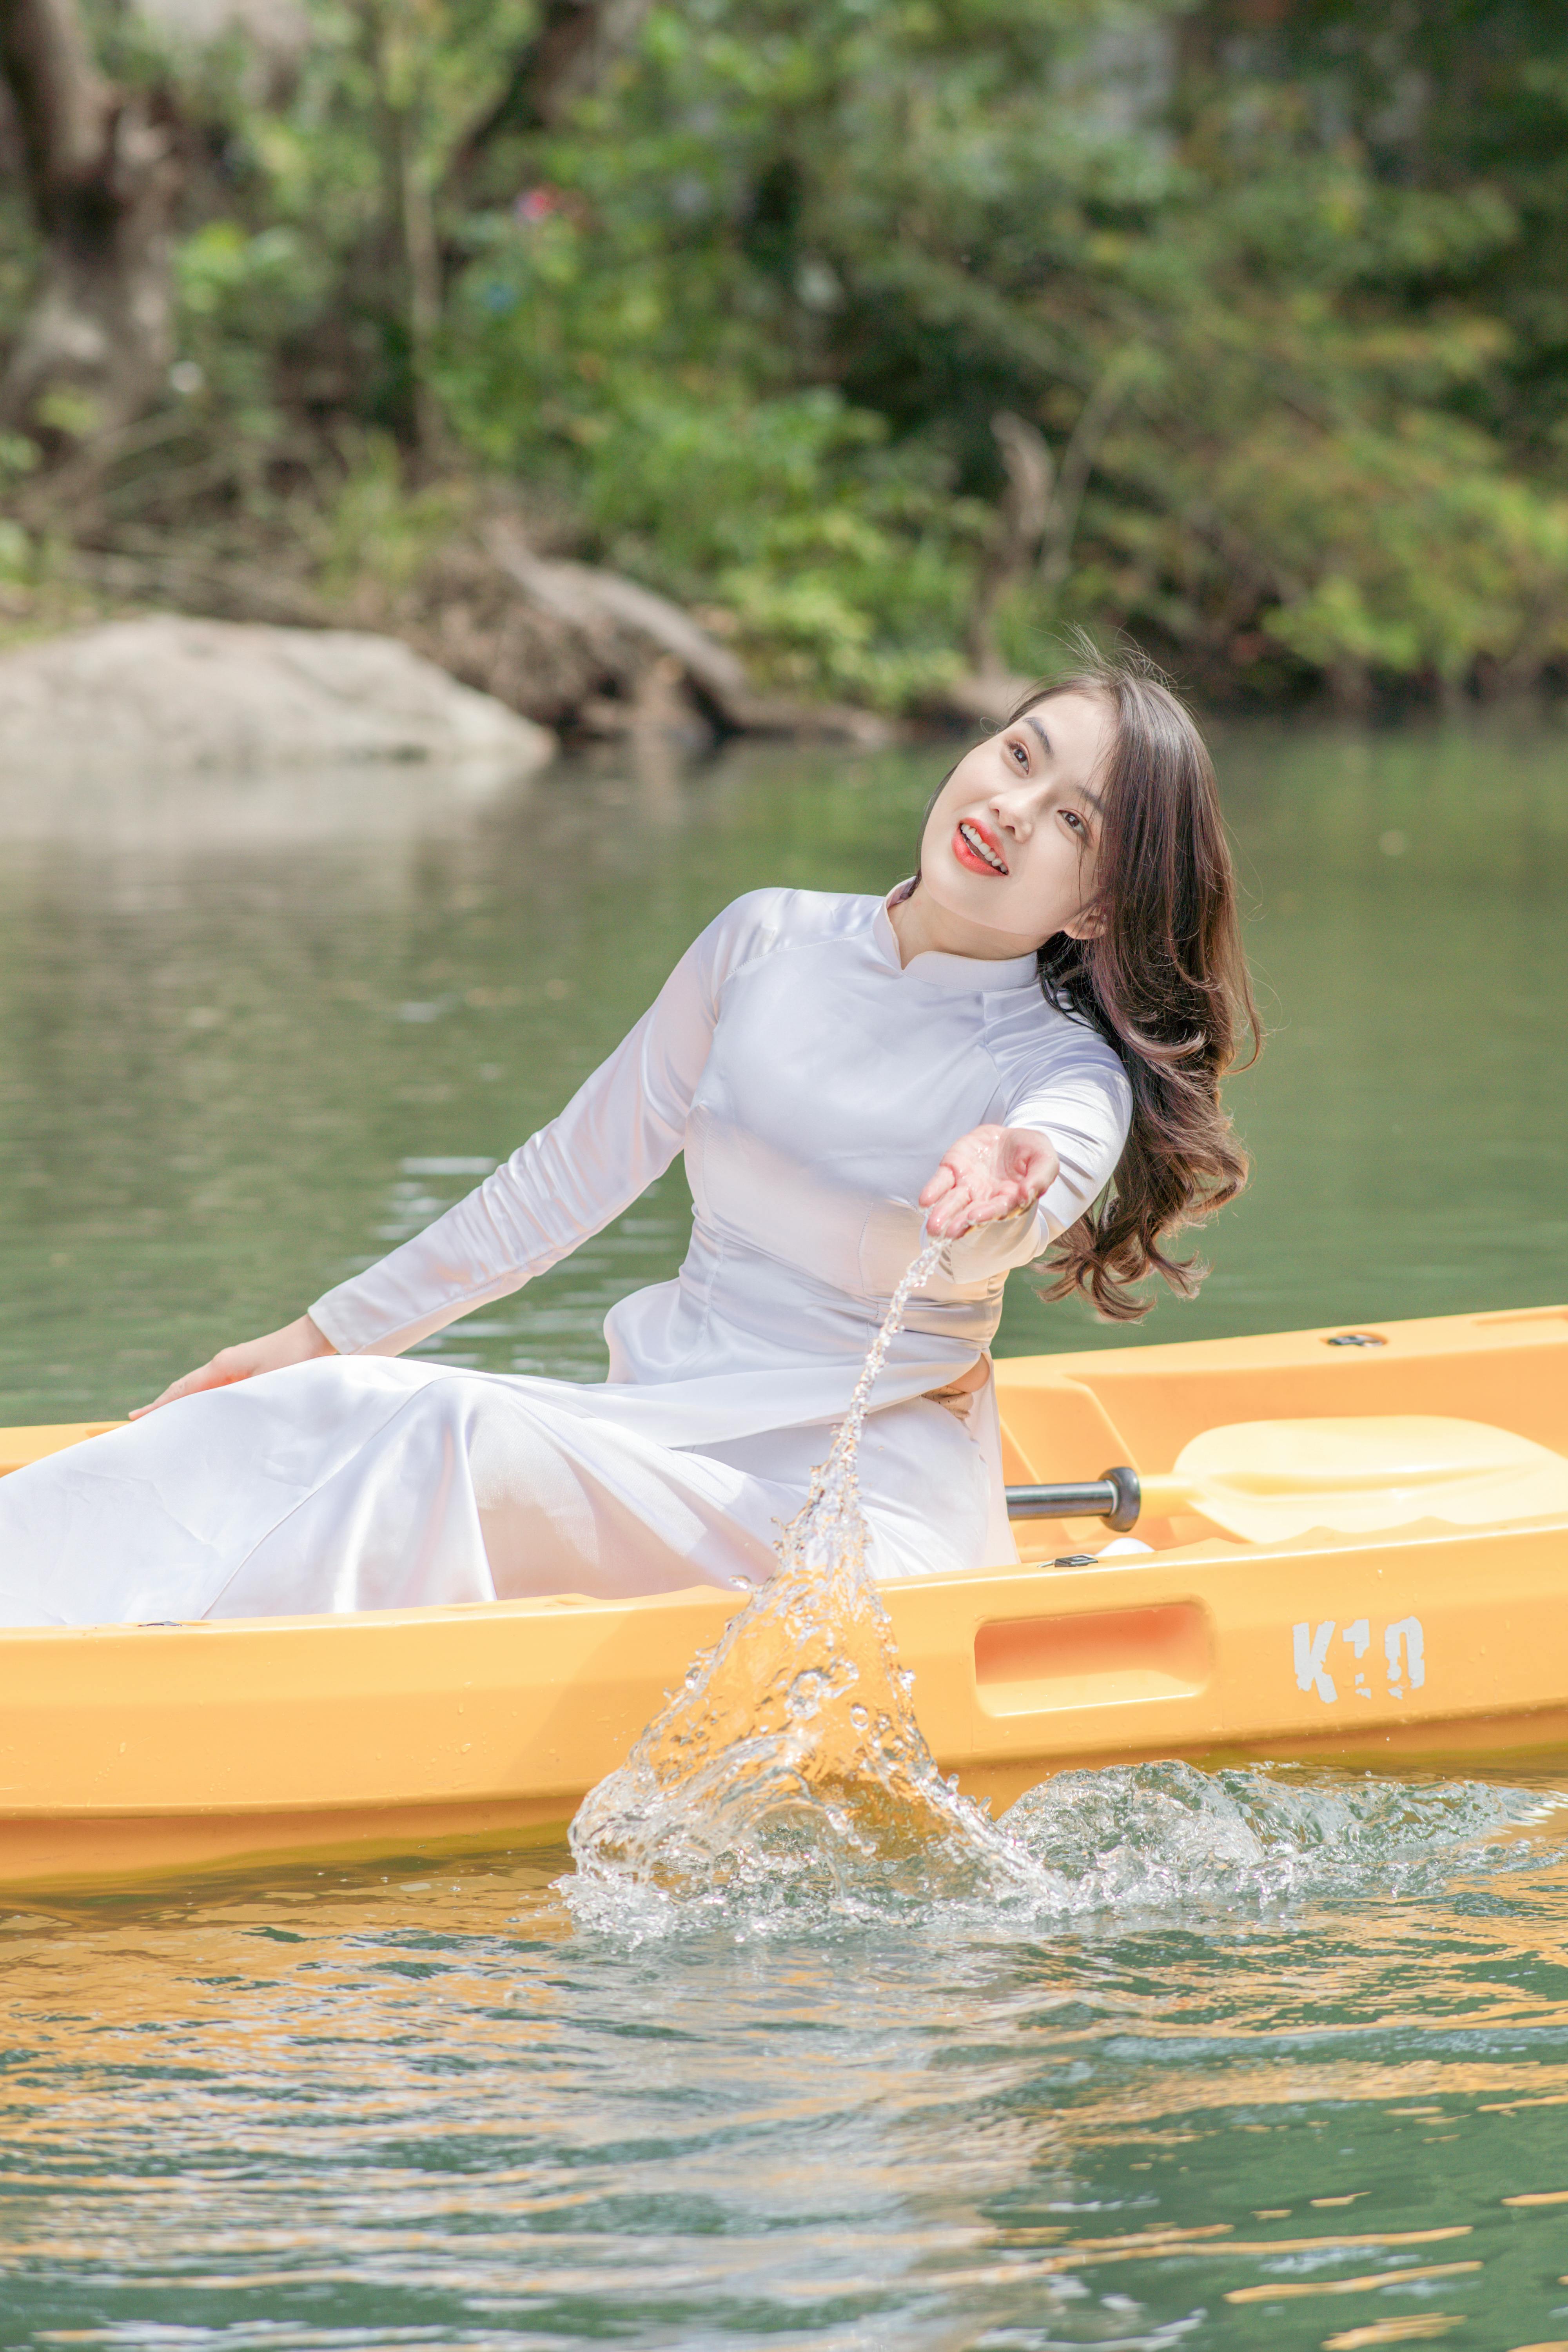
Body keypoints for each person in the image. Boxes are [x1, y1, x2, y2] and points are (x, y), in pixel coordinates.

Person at [0, 648, 1256, 1628]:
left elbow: (1049, 1160)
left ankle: (162, 1687)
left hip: (844, 1514)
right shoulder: (764, 941)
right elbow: (560, 1183)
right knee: (311, 1404)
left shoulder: (1057, 1072)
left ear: (1097, 901)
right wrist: (312, 1338)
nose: (1014, 807)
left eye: (1076, 821)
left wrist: (1013, 1178)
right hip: (656, 1437)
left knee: (444, 1432)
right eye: (1018, 754)